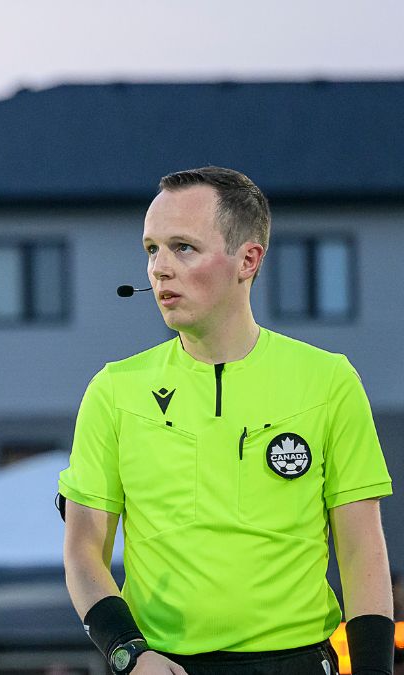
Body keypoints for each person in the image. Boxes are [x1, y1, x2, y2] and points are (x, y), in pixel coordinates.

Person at [59, 167, 394, 675]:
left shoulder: (329, 380)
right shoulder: (113, 390)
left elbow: (362, 549)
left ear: (248, 260)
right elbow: (83, 551)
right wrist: (128, 653)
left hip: (298, 663)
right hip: (163, 667)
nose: (159, 269)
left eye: (183, 248)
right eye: (152, 249)